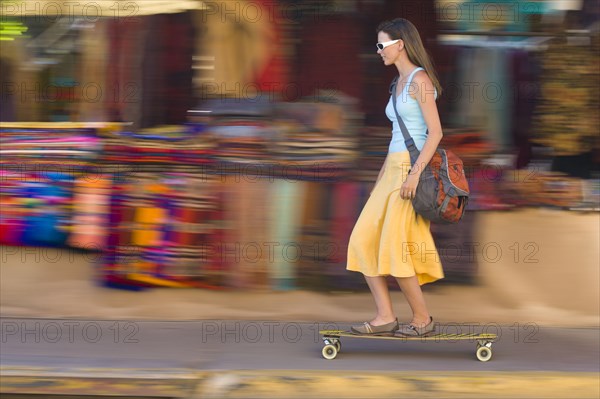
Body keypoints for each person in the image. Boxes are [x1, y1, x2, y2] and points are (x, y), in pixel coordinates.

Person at [346, 18, 444, 336]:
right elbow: (395, 138)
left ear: (399, 44)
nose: (378, 51)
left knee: (395, 248)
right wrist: (380, 179)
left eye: (381, 45)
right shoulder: (397, 84)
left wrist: (414, 176)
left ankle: (422, 319)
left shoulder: (419, 81)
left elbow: (435, 133)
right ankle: (386, 315)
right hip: (391, 170)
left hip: (409, 173)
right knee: (362, 240)